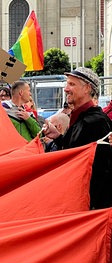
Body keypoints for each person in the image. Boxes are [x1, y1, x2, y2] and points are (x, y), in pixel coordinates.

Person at [43, 67, 112, 209]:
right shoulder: (82, 118)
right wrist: (58, 137)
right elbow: (77, 151)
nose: (66, 89)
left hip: (90, 207)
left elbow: (101, 170)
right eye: (66, 84)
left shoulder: (95, 122)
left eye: (72, 84)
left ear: (87, 88)